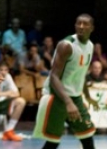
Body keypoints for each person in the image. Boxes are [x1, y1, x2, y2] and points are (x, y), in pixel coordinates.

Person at [33, 14, 99, 149]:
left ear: (92, 28)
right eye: (78, 23)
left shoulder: (90, 46)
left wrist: (87, 97)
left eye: (85, 24)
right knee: (53, 141)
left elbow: (81, 75)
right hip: (57, 95)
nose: (81, 27)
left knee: (87, 136)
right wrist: (68, 102)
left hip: (75, 97)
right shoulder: (66, 46)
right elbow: (53, 77)